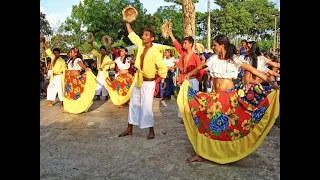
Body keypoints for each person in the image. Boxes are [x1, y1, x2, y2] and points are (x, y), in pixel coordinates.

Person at [177, 34, 280, 164]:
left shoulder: (234, 59)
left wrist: (272, 83)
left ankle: (227, 154)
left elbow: (255, 71)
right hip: (214, 97)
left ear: (222, 46)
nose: (213, 47)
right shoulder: (213, 58)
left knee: (228, 129)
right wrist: (188, 75)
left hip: (229, 98)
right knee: (207, 126)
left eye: (215, 45)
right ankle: (201, 153)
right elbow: (200, 67)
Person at [118, 20, 167, 140]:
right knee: (133, 104)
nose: (143, 36)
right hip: (138, 80)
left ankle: (151, 131)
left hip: (149, 83)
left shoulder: (155, 52)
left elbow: (163, 69)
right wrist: (127, 22)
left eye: (146, 35)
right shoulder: (140, 44)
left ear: (152, 38)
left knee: (146, 107)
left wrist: (156, 81)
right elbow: (131, 33)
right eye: (143, 35)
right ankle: (129, 129)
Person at [168, 31, 202, 124]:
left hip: (193, 80)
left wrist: (198, 80)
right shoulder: (183, 53)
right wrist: (171, 34)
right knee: (182, 98)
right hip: (184, 80)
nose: (183, 44)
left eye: (185, 43)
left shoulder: (195, 57)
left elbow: (200, 69)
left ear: (190, 44)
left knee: (193, 99)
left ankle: (193, 117)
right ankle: (184, 117)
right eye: (183, 43)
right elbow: (176, 44)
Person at [61, 47, 96, 114]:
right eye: (70, 52)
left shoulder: (78, 59)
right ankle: (68, 108)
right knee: (69, 94)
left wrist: (86, 68)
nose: (70, 53)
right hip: (70, 79)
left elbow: (81, 64)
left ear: (75, 53)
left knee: (76, 95)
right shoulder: (70, 60)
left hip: (76, 79)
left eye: (71, 52)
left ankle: (79, 108)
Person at [41, 37, 67, 107]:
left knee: (60, 89)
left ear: (59, 53)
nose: (55, 54)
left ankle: (62, 102)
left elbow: (65, 70)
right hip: (53, 76)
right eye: (54, 53)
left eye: (57, 53)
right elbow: (47, 49)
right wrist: (43, 42)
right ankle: (50, 102)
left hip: (59, 76)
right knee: (50, 88)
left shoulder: (62, 61)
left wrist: (65, 79)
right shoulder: (53, 57)